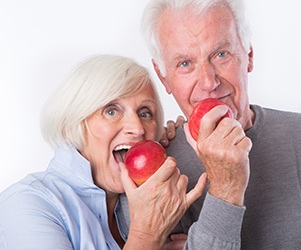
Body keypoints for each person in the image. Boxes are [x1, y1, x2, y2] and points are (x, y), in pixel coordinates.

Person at [136, 0, 301, 249]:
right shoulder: (154, 175)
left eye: (221, 54)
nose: (208, 82)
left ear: (248, 54)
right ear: (163, 76)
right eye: (185, 64)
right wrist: (225, 190)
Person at [0, 55, 207, 249]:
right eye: (111, 111)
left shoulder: (153, 206)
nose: (137, 127)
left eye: (145, 113)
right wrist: (146, 238)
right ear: (72, 123)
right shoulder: (27, 203)